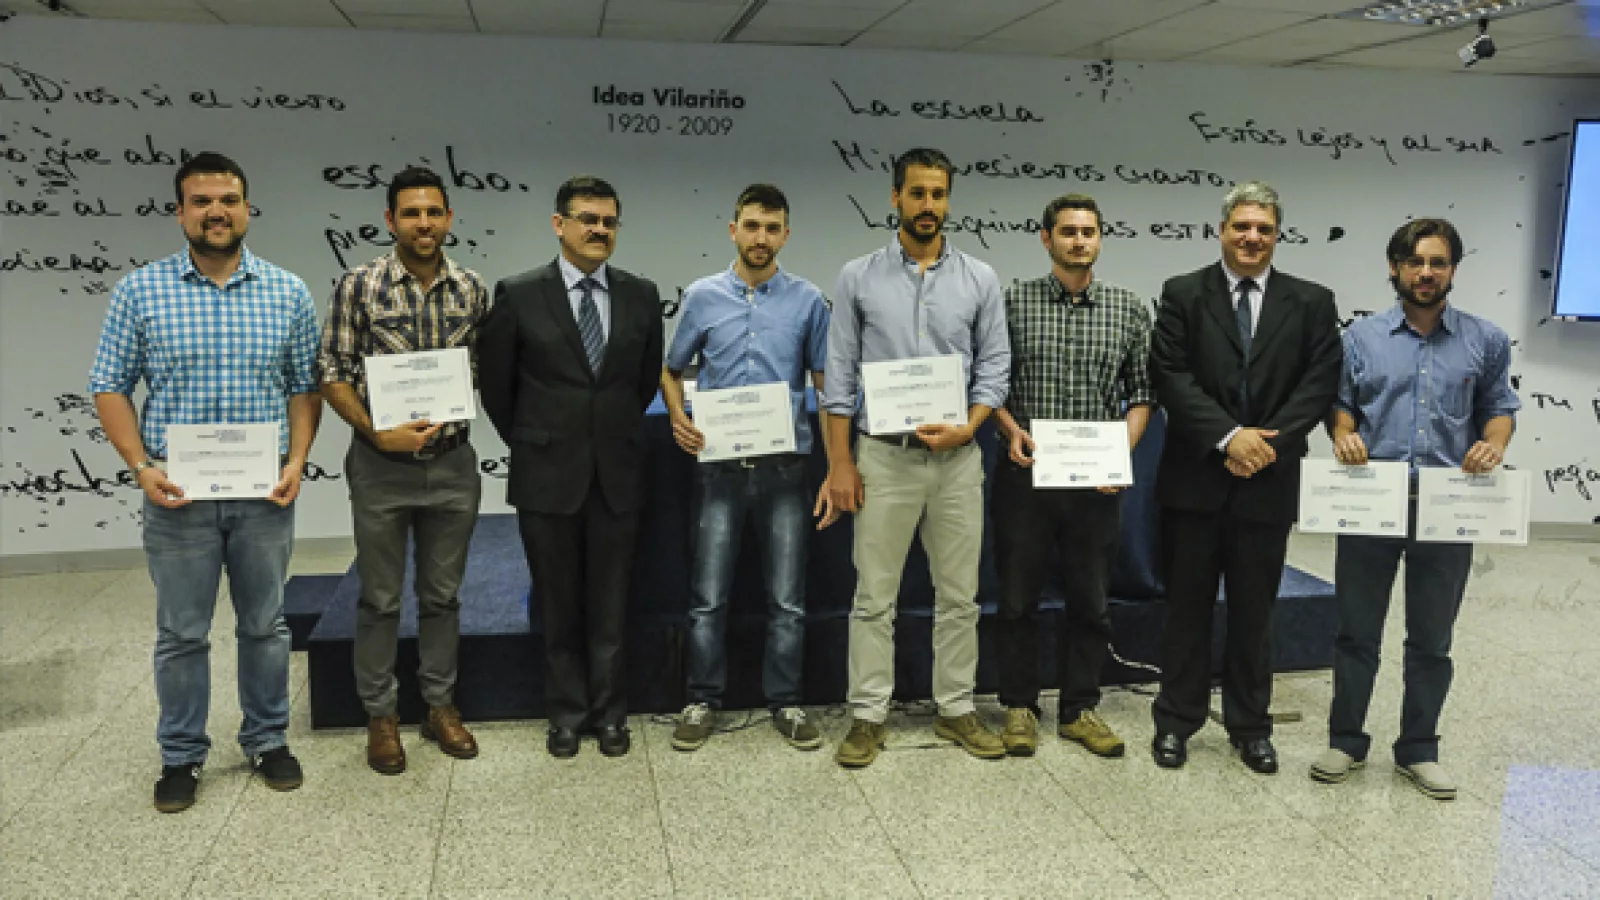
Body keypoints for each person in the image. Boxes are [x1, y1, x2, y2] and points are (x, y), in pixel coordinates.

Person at [87, 151, 321, 812]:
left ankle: (267, 739)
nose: (216, 212)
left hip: (263, 495)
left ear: (247, 209)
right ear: (181, 212)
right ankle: (182, 754)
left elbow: (304, 387)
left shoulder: (288, 292)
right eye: (201, 201)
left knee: (266, 625)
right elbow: (109, 385)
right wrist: (141, 465)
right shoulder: (139, 291)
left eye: (228, 200)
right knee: (181, 633)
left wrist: (297, 460)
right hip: (177, 497)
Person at [1309, 218, 1519, 800]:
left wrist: (1494, 445)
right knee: (1356, 632)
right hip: (1371, 502)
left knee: (1431, 638)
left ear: (1453, 270)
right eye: (1415, 262)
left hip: (1447, 508)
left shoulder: (1486, 339)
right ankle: (1346, 741)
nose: (1426, 273)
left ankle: (1419, 749)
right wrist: (1343, 435)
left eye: (1438, 263)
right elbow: (1341, 405)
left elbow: (1500, 408)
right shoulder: (1360, 338)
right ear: (1395, 268)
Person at [819, 147, 1011, 768]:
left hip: (958, 462)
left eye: (938, 194)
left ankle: (955, 708)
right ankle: (868, 715)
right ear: (895, 197)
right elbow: (839, 375)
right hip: (883, 457)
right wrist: (840, 462)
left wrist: (969, 428)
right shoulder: (858, 277)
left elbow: (995, 367)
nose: (928, 205)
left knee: (960, 596)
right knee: (874, 596)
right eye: (918, 193)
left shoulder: (980, 278)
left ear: (948, 200)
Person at [1148, 181, 1342, 774]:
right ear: (1222, 230)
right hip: (1196, 480)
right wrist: (1230, 437)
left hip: (1268, 482)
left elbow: (1318, 383)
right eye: (1242, 226)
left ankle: (1251, 726)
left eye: (1263, 228)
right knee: (1186, 610)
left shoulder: (1312, 302)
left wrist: (1263, 445)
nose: (1252, 237)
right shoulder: (1183, 293)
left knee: (1256, 613)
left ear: (1277, 236)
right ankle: (1176, 721)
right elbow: (1171, 375)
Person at [479, 175, 664, 759]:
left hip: (617, 473)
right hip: (546, 473)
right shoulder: (518, 294)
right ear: (559, 225)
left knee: (611, 604)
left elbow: (641, 383)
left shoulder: (641, 295)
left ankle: (610, 714)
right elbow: (497, 388)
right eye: (587, 219)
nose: (599, 230)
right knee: (557, 604)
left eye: (608, 222)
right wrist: (539, 440)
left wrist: (603, 433)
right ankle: (565, 714)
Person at [318, 166, 490, 775]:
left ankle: (440, 705)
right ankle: (381, 714)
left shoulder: (472, 289)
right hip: (379, 468)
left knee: (443, 596)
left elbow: (486, 369)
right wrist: (375, 430)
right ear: (391, 220)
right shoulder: (359, 285)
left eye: (434, 212)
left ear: (449, 219)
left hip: (452, 465)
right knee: (380, 599)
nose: (424, 223)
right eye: (411, 213)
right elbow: (332, 371)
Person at [660, 184, 832, 752]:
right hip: (720, 469)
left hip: (785, 469)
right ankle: (701, 699)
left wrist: (839, 457)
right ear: (733, 229)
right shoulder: (702, 296)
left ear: (786, 235)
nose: (762, 237)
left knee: (787, 599)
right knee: (708, 596)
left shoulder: (809, 301)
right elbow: (671, 369)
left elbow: (824, 380)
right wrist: (679, 416)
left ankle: (786, 702)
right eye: (752, 226)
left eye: (772, 228)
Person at [990, 193, 1155, 759]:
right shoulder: (1013, 302)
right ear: (1046, 239)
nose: (1079, 241)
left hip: (1094, 485)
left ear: (1100, 239)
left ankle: (1080, 708)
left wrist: (1118, 455)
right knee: (1017, 601)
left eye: (1088, 232)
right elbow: (990, 383)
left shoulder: (1128, 308)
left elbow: (1142, 394)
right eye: (1068, 232)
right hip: (1025, 475)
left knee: (1091, 601)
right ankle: (1019, 706)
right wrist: (1010, 430)